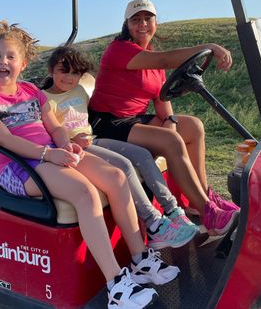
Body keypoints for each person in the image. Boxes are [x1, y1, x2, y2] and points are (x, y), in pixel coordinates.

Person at [0, 21, 180, 309]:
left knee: (116, 177)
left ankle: (141, 259)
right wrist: (47, 153)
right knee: (85, 193)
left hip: (50, 154)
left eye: (10, 56)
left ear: (23, 64)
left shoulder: (32, 92)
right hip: (17, 167)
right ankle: (116, 285)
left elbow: (54, 126)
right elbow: (2, 138)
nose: (3, 62)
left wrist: (65, 143)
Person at [88, 0, 240, 236]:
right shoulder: (119, 50)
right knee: (171, 141)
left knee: (193, 127)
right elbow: (165, 60)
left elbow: (161, 97)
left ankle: (201, 198)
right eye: (136, 20)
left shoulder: (150, 57)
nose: (143, 24)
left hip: (133, 119)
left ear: (155, 22)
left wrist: (170, 121)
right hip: (107, 123)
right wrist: (210, 46)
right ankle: (208, 213)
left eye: (148, 19)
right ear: (126, 24)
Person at [42, 45, 199, 250]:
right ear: (52, 70)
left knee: (142, 155)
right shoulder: (44, 98)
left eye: (75, 73)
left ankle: (172, 210)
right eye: (64, 71)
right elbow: (47, 132)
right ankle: (153, 224)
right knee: (124, 166)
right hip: (75, 149)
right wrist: (71, 143)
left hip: (93, 139)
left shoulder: (80, 90)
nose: (69, 78)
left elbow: (101, 105)